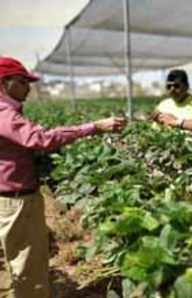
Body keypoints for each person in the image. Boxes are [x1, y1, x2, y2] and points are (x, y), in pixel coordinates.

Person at [0, 56, 127, 298]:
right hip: (16, 202)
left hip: (14, 198)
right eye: (23, 81)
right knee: (27, 265)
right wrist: (95, 127)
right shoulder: (4, 114)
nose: (29, 87)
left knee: (22, 259)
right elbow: (42, 139)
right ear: (5, 83)